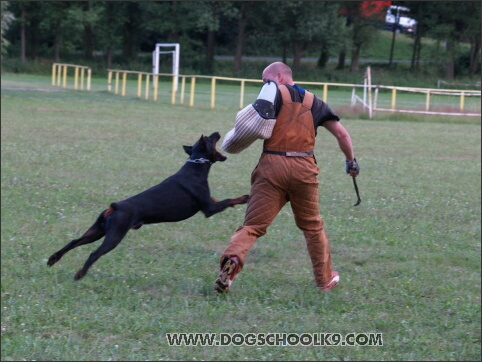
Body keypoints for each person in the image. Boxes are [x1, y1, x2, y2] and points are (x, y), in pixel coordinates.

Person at [214, 62, 359, 294]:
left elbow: (250, 124)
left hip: (272, 166)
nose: (265, 85)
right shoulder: (316, 102)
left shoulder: (271, 95)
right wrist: (351, 161)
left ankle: (232, 260)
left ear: (279, 76)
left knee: (253, 225)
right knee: (312, 227)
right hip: (304, 169)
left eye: (266, 80)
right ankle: (324, 280)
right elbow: (341, 133)